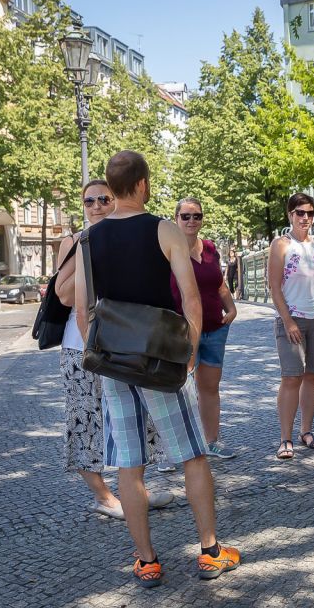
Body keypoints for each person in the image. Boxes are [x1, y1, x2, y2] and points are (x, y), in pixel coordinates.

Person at [75, 151, 239, 586]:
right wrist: (191, 347)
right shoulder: (164, 230)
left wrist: (98, 358)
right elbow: (188, 296)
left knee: (130, 465)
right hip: (160, 355)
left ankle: (146, 560)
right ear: (144, 185)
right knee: (192, 454)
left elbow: (82, 308)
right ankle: (209, 551)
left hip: (114, 360)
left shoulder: (88, 239)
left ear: (110, 189)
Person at [55, 180, 171, 519]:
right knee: (85, 420)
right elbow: (63, 296)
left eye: (103, 199)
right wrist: (89, 248)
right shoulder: (75, 241)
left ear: (116, 200)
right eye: (88, 201)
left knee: (136, 420)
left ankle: (136, 492)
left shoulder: (129, 234)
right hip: (81, 346)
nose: (95, 206)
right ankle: (104, 496)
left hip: (125, 342)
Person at [267, 192, 314, 460]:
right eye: (300, 213)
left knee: (313, 375)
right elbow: (274, 287)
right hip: (292, 318)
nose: (305, 218)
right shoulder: (281, 245)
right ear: (290, 215)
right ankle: (285, 437)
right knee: (291, 376)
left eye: (309, 213)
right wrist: (287, 320)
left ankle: (306, 431)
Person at [171, 197, 238, 459]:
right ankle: (174, 451)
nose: (191, 221)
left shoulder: (209, 249)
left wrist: (231, 309)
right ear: (176, 219)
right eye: (185, 216)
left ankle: (211, 441)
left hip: (214, 328)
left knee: (209, 388)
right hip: (181, 331)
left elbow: (219, 284)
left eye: (196, 216)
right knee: (176, 390)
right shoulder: (168, 250)